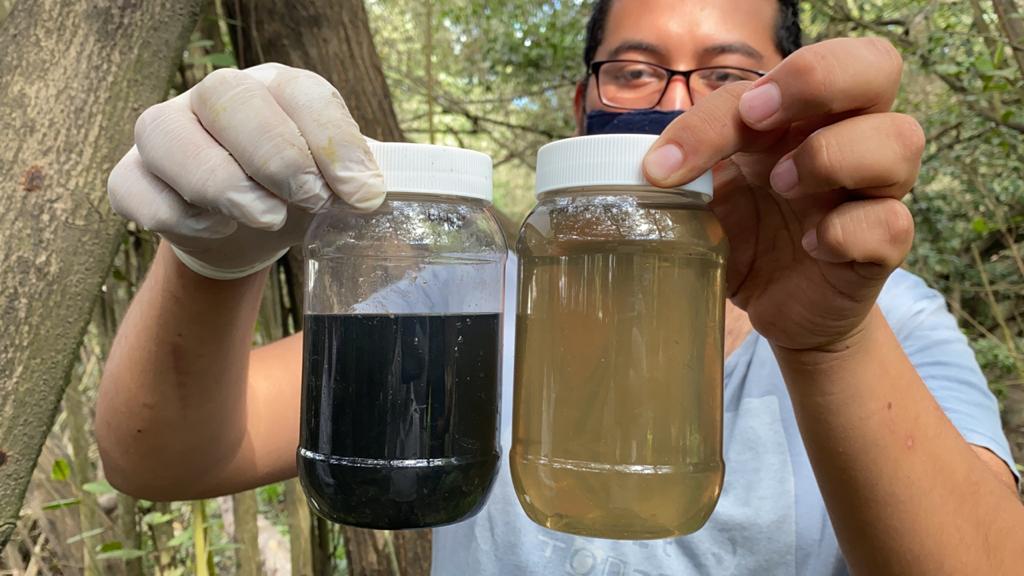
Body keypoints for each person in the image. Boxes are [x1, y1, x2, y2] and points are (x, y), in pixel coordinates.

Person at [100, 0, 1022, 574]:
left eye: (729, 76)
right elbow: (163, 457)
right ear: (585, 108)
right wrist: (212, 259)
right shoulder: (468, 292)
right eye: (635, 69)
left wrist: (831, 343)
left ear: (791, 107)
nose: (678, 101)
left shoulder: (888, 319)